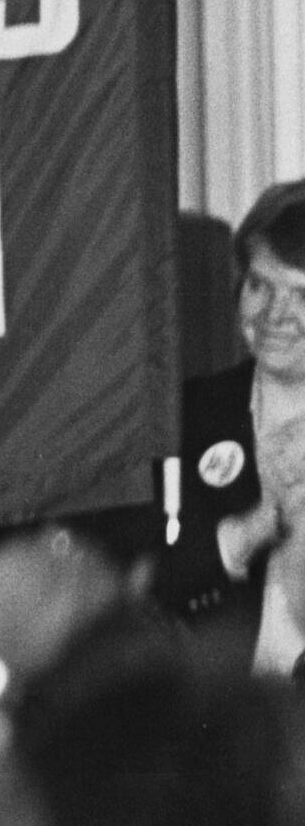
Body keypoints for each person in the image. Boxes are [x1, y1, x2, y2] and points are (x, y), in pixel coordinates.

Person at [154, 178, 305, 670]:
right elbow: (146, 577)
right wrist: (254, 527)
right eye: (259, 285)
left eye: (303, 295)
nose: (275, 314)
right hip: (229, 720)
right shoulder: (190, 413)